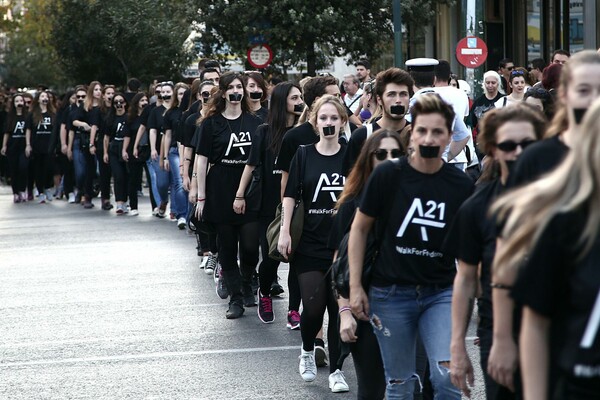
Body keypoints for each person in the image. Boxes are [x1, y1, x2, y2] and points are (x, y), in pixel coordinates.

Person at [487, 49, 600, 397]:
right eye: (584, 90)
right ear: (563, 94)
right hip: (549, 315)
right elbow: (507, 252)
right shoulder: (539, 159)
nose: (594, 101)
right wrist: (502, 336)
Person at [348, 93, 473, 400]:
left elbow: (470, 249)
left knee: (446, 379)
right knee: (400, 384)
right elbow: (359, 229)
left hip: (441, 294)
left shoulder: (460, 185)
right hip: (390, 294)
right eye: (423, 131)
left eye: (438, 132)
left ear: (449, 137)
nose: (429, 138)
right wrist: (354, 288)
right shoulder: (389, 175)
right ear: (412, 134)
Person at [447, 105, 546, 399]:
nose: (518, 152)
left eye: (527, 144)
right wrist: (457, 347)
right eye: (508, 145)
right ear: (492, 149)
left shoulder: (563, 198)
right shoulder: (476, 207)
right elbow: (465, 280)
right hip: (500, 333)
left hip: (559, 325)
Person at [277, 95, 348, 391]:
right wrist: (284, 231)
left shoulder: (351, 154)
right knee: (314, 308)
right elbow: (291, 194)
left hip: (342, 245)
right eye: (323, 118)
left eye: (334, 118)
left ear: (342, 122)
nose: (329, 123)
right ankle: (307, 349)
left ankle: (336, 371)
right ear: (315, 122)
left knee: (337, 308)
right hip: (309, 243)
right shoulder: (304, 153)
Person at [333, 128, 405, 399]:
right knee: (373, 390)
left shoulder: (413, 199)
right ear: (368, 159)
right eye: (380, 154)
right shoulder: (352, 202)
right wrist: (344, 312)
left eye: (396, 154)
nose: (388, 159)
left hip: (409, 305)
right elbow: (339, 263)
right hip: (366, 308)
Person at [193, 71, 263, 319]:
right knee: (226, 246)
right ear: (223, 92)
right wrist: (201, 196)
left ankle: (247, 281)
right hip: (220, 185)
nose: (236, 91)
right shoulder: (211, 124)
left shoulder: (255, 123)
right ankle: (235, 297)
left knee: (250, 246)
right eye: (231, 87)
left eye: (239, 87)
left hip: (250, 187)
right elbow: (201, 161)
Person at [233, 81, 304, 324]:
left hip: (299, 204)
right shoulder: (264, 131)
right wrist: (240, 195)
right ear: (282, 101)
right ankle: (264, 291)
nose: (299, 102)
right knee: (272, 256)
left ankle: (294, 309)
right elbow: (251, 165)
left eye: (300, 97)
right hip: (268, 204)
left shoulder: (305, 131)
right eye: (294, 98)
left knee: (297, 259)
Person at [343, 67, 413, 175]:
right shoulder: (362, 136)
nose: (398, 100)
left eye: (403, 94)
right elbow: (351, 183)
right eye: (391, 94)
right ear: (379, 99)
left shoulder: (417, 135)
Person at [162, 82, 190, 228]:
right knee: (179, 182)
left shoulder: (192, 112)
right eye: (179, 93)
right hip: (174, 151)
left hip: (189, 151)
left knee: (189, 182)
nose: (182, 97)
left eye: (184, 93)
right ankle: (182, 215)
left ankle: (190, 215)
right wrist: (165, 156)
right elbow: (167, 136)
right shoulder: (171, 113)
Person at [25, 91, 56, 203]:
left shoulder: (53, 114)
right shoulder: (32, 114)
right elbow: (28, 130)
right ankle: (40, 191)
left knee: (49, 168)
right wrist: (28, 145)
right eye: (42, 96)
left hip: (49, 146)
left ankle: (47, 187)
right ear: (38, 99)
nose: (45, 98)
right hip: (37, 146)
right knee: (38, 170)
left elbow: (55, 130)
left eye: (46, 96)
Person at [102, 93, 130, 214]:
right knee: (118, 176)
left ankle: (125, 200)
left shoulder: (129, 117)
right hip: (114, 149)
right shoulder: (110, 119)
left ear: (125, 103)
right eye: (116, 102)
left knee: (127, 176)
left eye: (121, 102)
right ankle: (119, 202)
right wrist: (105, 152)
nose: (119, 104)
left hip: (126, 149)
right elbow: (106, 137)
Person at [122, 92, 149, 216]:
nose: (144, 102)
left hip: (148, 149)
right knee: (133, 178)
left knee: (151, 178)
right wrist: (124, 150)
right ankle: (133, 206)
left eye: (146, 100)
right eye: (142, 100)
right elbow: (127, 135)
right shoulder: (130, 118)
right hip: (134, 149)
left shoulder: (150, 115)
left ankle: (156, 206)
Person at [1, 93, 29, 203]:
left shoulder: (27, 116)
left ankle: (22, 189)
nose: (19, 103)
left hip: (23, 146)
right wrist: (4, 146)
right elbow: (6, 133)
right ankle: (16, 192)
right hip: (13, 147)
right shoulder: (10, 117)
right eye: (16, 101)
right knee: (14, 170)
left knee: (23, 168)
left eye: (21, 101)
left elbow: (29, 131)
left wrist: (28, 145)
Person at [470, 71, 504, 136]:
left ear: (498, 83)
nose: (490, 85)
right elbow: (473, 123)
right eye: (488, 83)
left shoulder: (504, 100)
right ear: (484, 84)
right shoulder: (478, 102)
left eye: (493, 83)